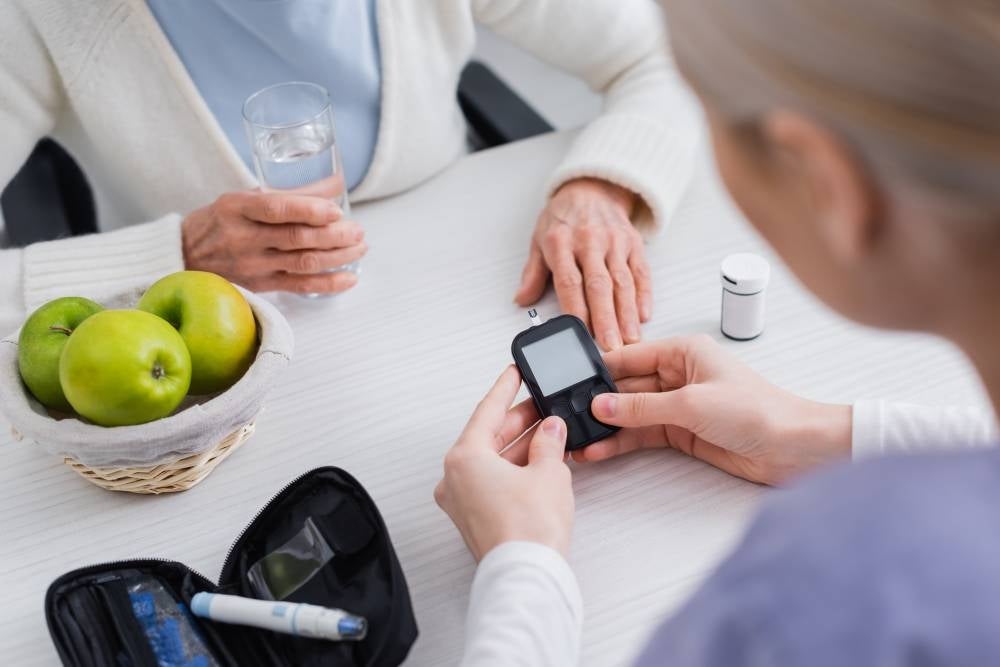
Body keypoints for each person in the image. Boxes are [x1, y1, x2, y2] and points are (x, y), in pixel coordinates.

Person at [435, 0, 1000, 664]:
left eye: (712, 119)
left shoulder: (833, 579)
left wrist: (522, 567)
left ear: (827, 183)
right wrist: (811, 433)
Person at [0, 0, 700, 345]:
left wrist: (602, 186)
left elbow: (673, 55)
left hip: (460, 305)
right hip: (211, 385)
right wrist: (170, 256)